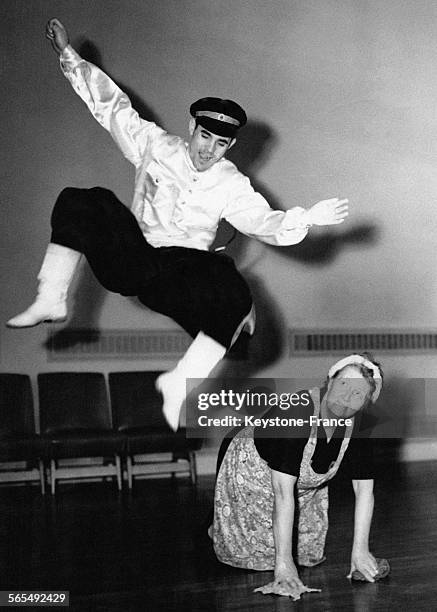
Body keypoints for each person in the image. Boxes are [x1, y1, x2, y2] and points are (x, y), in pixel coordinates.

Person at [7, 18, 349, 431]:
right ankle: (52, 296)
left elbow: (266, 223)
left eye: (221, 144)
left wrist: (308, 217)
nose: (209, 150)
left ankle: (178, 384)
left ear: (231, 146)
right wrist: (68, 56)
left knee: (234, 290)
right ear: (192, 128)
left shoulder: (231, 183)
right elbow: (110, 106)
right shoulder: (154, 145)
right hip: (134, 257)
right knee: (83, 199)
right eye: (205, 136)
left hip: (182, 273)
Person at [211, 354, 387, 600]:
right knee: (249, 557)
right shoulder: (297, 411)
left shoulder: (361, 426)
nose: (347, 397)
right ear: (329, 381)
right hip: (249, 469)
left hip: (299, 485)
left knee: (305, 558)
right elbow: (283, 493)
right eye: (344, 384)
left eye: (358, 394)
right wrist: (283, 564)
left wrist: (360, 551)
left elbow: (364, 491)